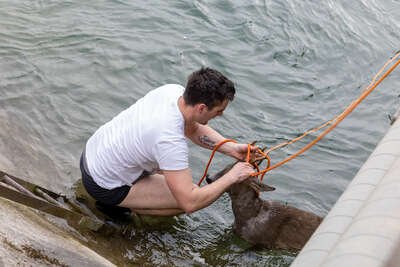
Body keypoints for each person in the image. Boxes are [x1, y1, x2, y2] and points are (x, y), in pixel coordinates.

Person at [80, 67, 256, 216]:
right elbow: (190, 202)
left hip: (92, 154)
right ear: (202, 108)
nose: (221, 115)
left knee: (177, 180)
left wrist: (231, 149)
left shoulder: (172, 92)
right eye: (219, 111)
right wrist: (232, 176)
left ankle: (136, 196)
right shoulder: (169, 140)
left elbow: (192, 129)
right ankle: (119, 206)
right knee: (186, 199)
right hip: (102, 183)